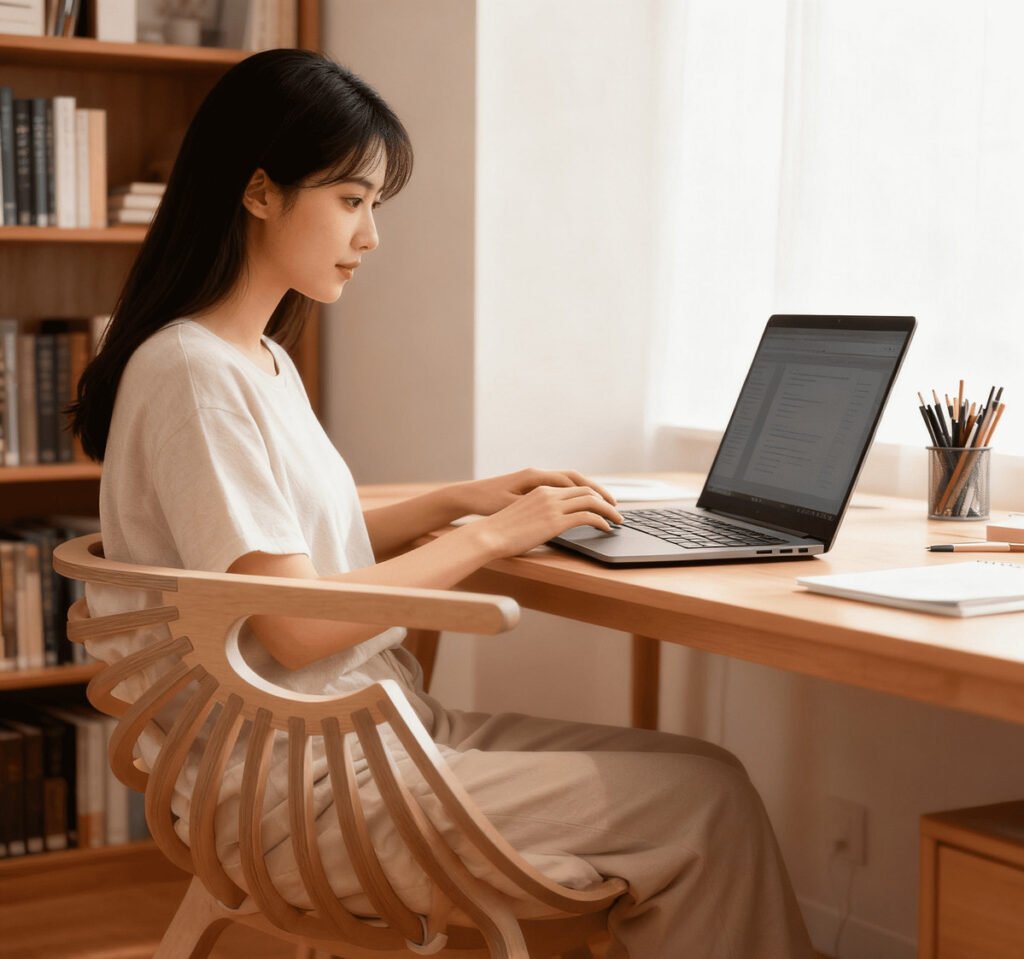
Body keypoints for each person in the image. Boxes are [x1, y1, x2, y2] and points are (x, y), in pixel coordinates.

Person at [69, 49, 814, 958]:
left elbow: (293, 553)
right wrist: (497, 534)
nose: (371, 235)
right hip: (307, 783)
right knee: (709, 804)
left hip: (349, 738)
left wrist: (455, 502)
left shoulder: (251, 359)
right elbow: (298, 625)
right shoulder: (194, 371)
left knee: (702, 771)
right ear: (258, 191)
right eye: (351, 200)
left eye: (374, 204)